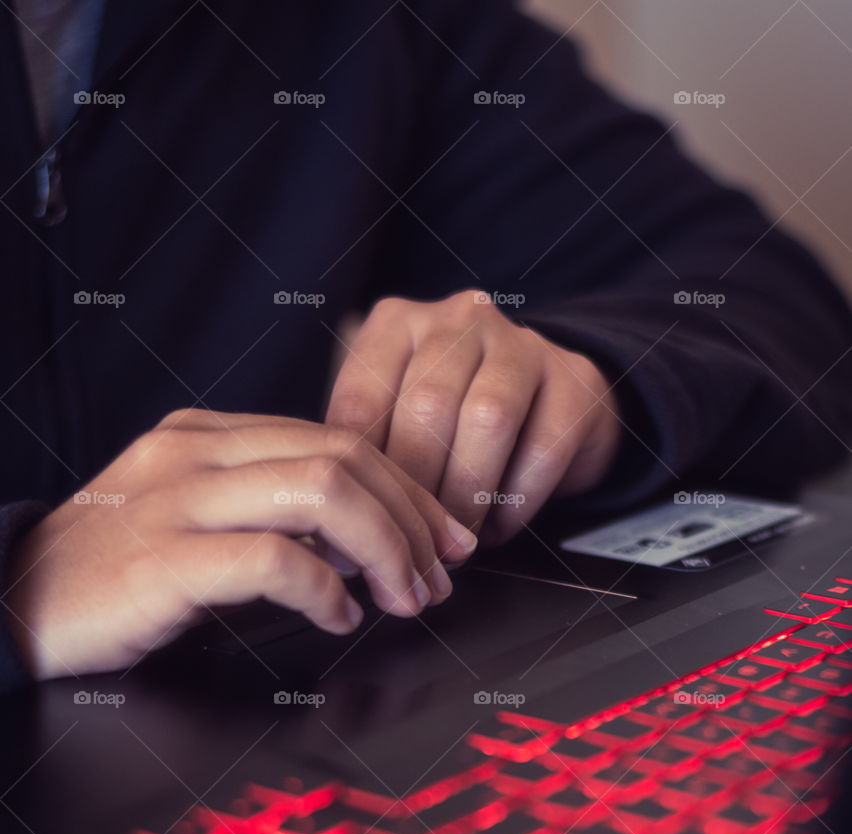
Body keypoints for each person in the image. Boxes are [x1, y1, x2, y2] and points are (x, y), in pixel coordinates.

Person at [1, 0, 850, 690]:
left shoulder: (372, 25)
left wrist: (591, 376)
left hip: (274, 754)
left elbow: (772, 294)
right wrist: (23, 589)